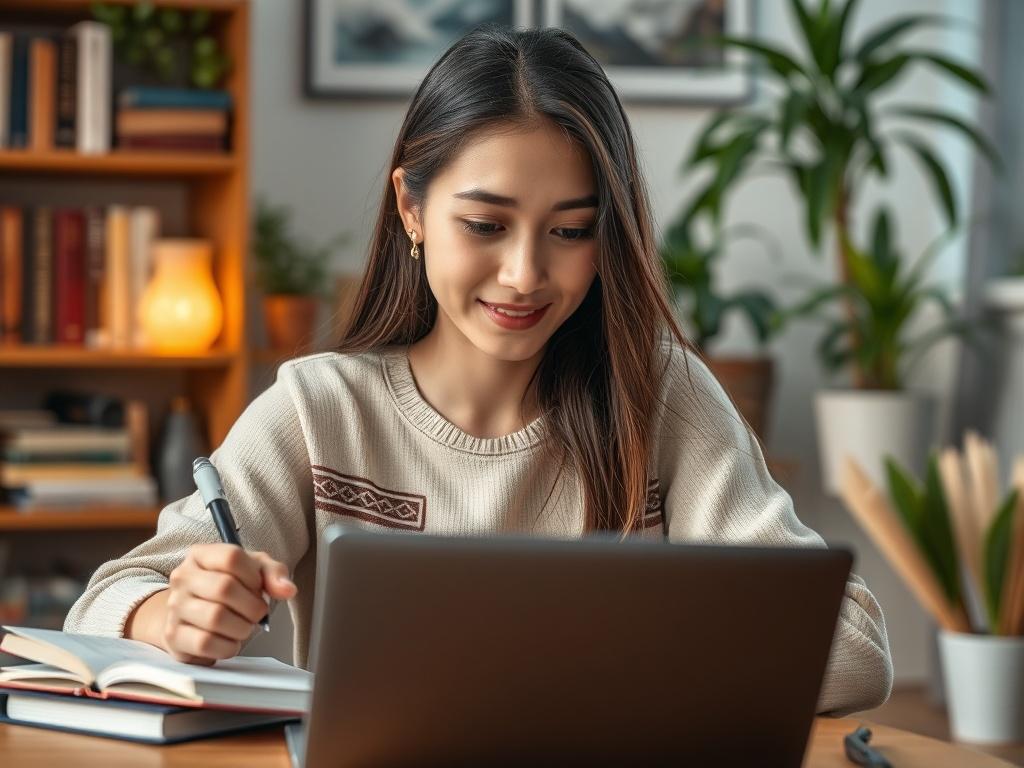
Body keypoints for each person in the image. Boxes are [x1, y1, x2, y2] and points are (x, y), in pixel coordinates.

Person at [64, 25, 893, 716]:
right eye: (487, 225)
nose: (526, 274)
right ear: (411, 208)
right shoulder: (319, 409)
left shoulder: (662, 394)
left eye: (571, 231)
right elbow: (100, 605)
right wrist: (170, 613)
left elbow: (853, 649)